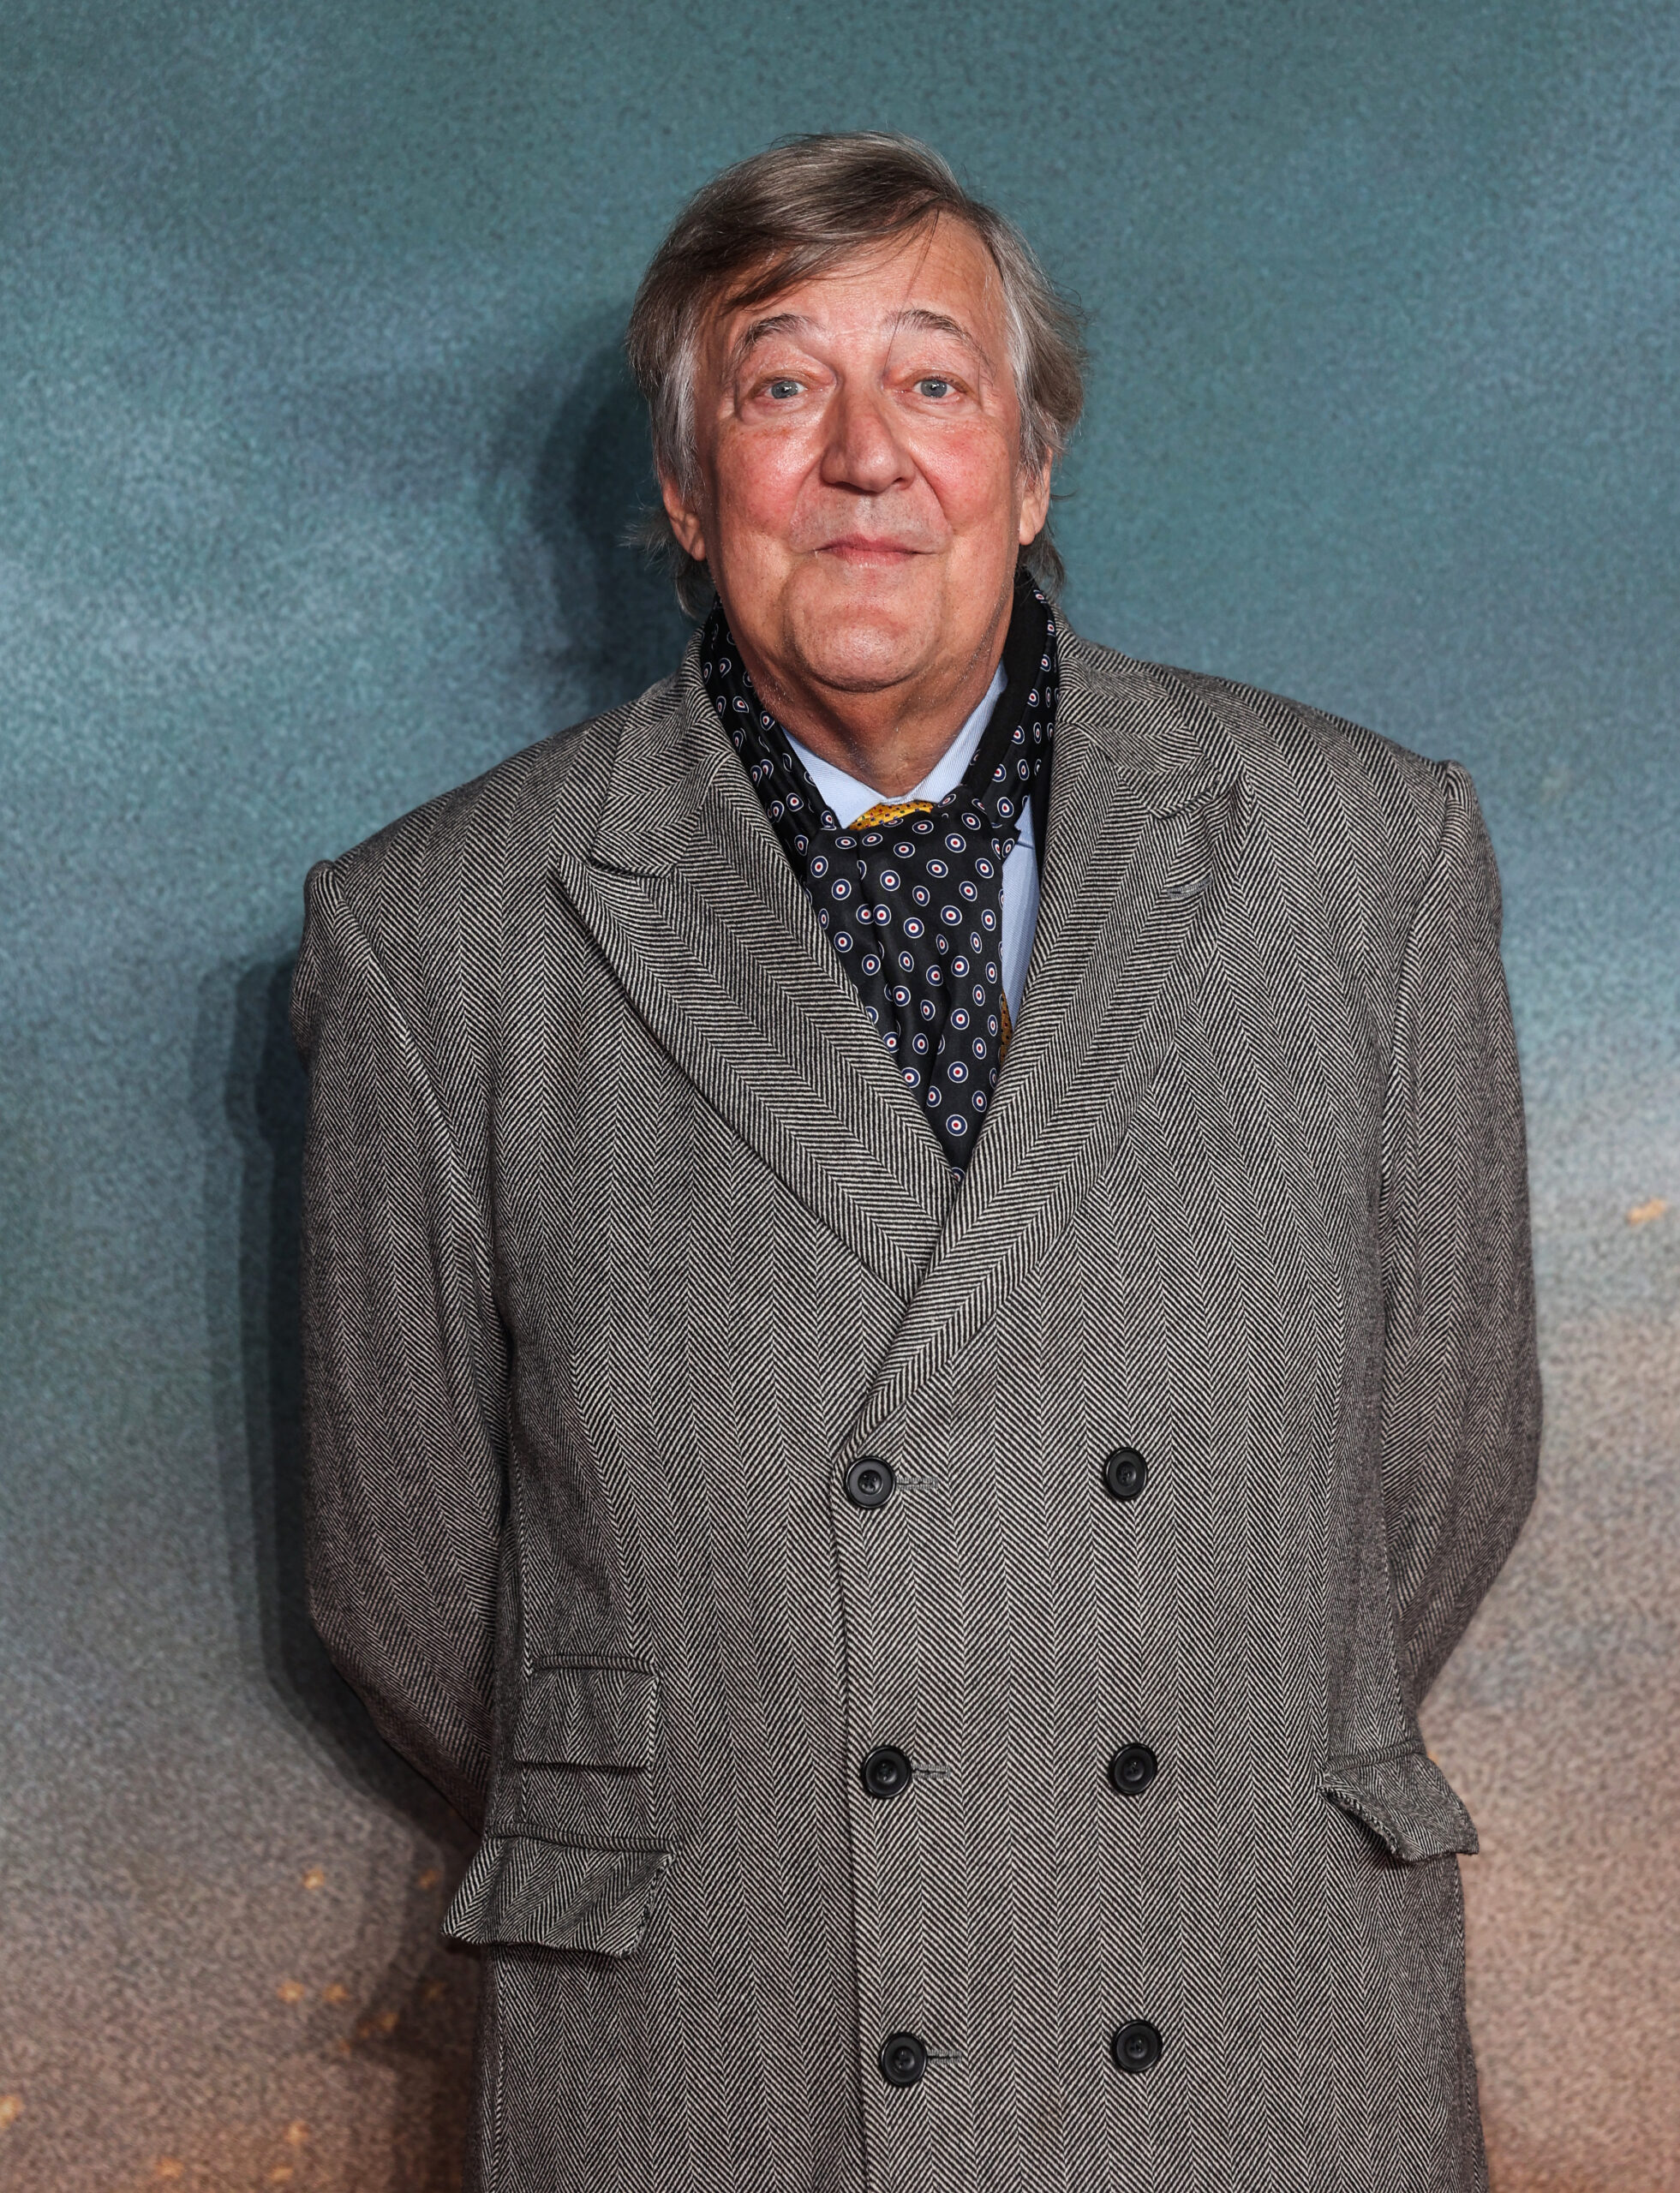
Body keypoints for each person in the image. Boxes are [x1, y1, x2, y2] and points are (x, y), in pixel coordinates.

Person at [293, 132, 1540, 2193]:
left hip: (1255, 2020)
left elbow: (1450, 1454)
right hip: (723, 2041)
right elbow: (410, 1580)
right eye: (782, 388)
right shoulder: (439, 939)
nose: (867, 456)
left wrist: (1154, 1690)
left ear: (1031, 472)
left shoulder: (1365, 861)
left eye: (937, 382)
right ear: (690, 498)